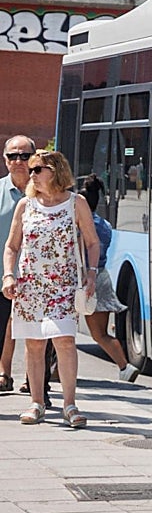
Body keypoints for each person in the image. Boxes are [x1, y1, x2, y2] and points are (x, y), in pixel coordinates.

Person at [2, 150, 101, 428]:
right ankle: (36, 403)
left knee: (65, 342)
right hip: (30, 286)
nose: (30, 173)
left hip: (64, 285)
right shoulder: (26, 205)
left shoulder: (75, 203)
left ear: (55, 171)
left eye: (37, 169)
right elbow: (12, 246)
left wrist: (91, 274)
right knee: (34, 345)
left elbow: (92, 242)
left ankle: (70, 405)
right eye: (31, 169)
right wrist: (8, 275)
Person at [80, 176, 139, 382]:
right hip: (100, 278)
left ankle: (55, 371)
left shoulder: (77, 225)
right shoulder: (104, 225)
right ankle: (125, 366)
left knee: (61, 331)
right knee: (101, 334)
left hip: (78, 278)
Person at [0, 134, 36, 393]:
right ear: (5, 160)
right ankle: (3, 373)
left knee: (36, 331)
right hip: (4, 274)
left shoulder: (48, 192)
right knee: (5, 326)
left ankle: (32, 380)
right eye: (13, 155)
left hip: (38, 277)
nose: (19, 161)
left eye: (25, 156)